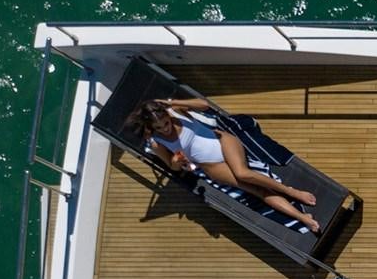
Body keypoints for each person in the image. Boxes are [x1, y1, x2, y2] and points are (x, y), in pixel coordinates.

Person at [126, 97, 322, 232]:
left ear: (167, 115)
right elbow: (172, 166)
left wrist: (172, 102)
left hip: (223, 141)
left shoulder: (175, 110)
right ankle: (302, 217)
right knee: (257, 191)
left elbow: (204, 105)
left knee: (243, 173)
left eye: (165, 123)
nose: (165, 128)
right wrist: (176, 162)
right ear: (151, 127)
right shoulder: (156, 142)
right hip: (211, 164)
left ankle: (292, 192)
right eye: (159, 127)